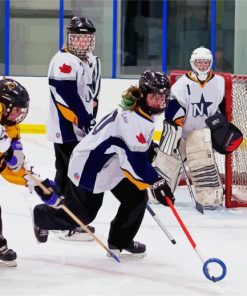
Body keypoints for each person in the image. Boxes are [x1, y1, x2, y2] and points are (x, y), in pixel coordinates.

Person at [33, 70, 174, 257]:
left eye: (163, 97)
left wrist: (150, 148)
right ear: (143, 94)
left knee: (136, 198)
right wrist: (155, 181)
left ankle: (119, 242)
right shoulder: (131, 120)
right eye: (155, 97)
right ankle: (42, 217)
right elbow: (136, 163)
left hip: (113, 164)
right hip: (89, 167)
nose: (160, 102)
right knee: (82, 217)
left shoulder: (143, 111)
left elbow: (132, 148)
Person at [152, 46, 242, 209]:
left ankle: (209, 197)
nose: (202, 65)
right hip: (181, 132)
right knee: (167, 162)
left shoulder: (219, 83)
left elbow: (221, 109)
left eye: (205, 62)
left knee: (203, 164)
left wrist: (220, 127)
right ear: (193, 63)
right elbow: (172, 108)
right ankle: (155, 194)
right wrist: (176, 124)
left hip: (202, 134)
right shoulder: (182, 84)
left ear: (210, 63)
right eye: (199, 62)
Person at [46, 16, 101, 241]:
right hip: (66, 131)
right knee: (74, 177)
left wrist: (91, 120)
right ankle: (67, 224)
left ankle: (51, 218)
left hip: (80, 128)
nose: (81, 42)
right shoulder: (63, 61)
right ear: (69, 38)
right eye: (77, 38)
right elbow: (65, 98)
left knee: (64, 175)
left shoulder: (91, 60)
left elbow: (92, 97)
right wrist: (84, 121)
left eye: (86, 38)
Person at [0, 78, 30, 266]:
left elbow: (9, 165)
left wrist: (30, 179)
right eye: (16, 109)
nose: (19, 114)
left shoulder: (8, 126)